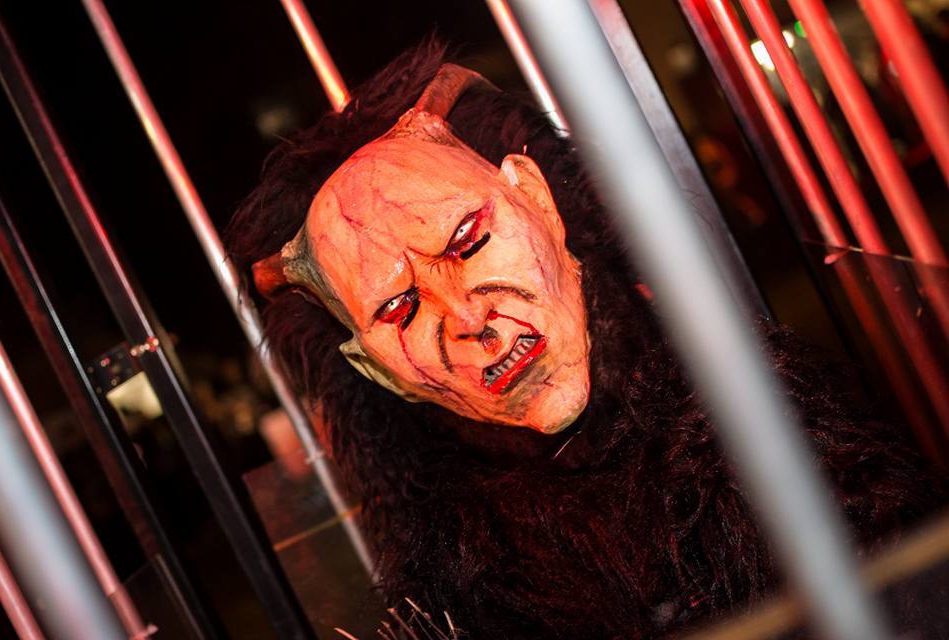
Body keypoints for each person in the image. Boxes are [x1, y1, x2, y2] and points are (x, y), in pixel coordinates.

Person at [226, 40, 941, 638]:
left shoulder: (764, 431)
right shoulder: (467, 586)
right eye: (399, 307)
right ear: (378, 371)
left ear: (538, 201)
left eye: (468, 241)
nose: (466, 318)